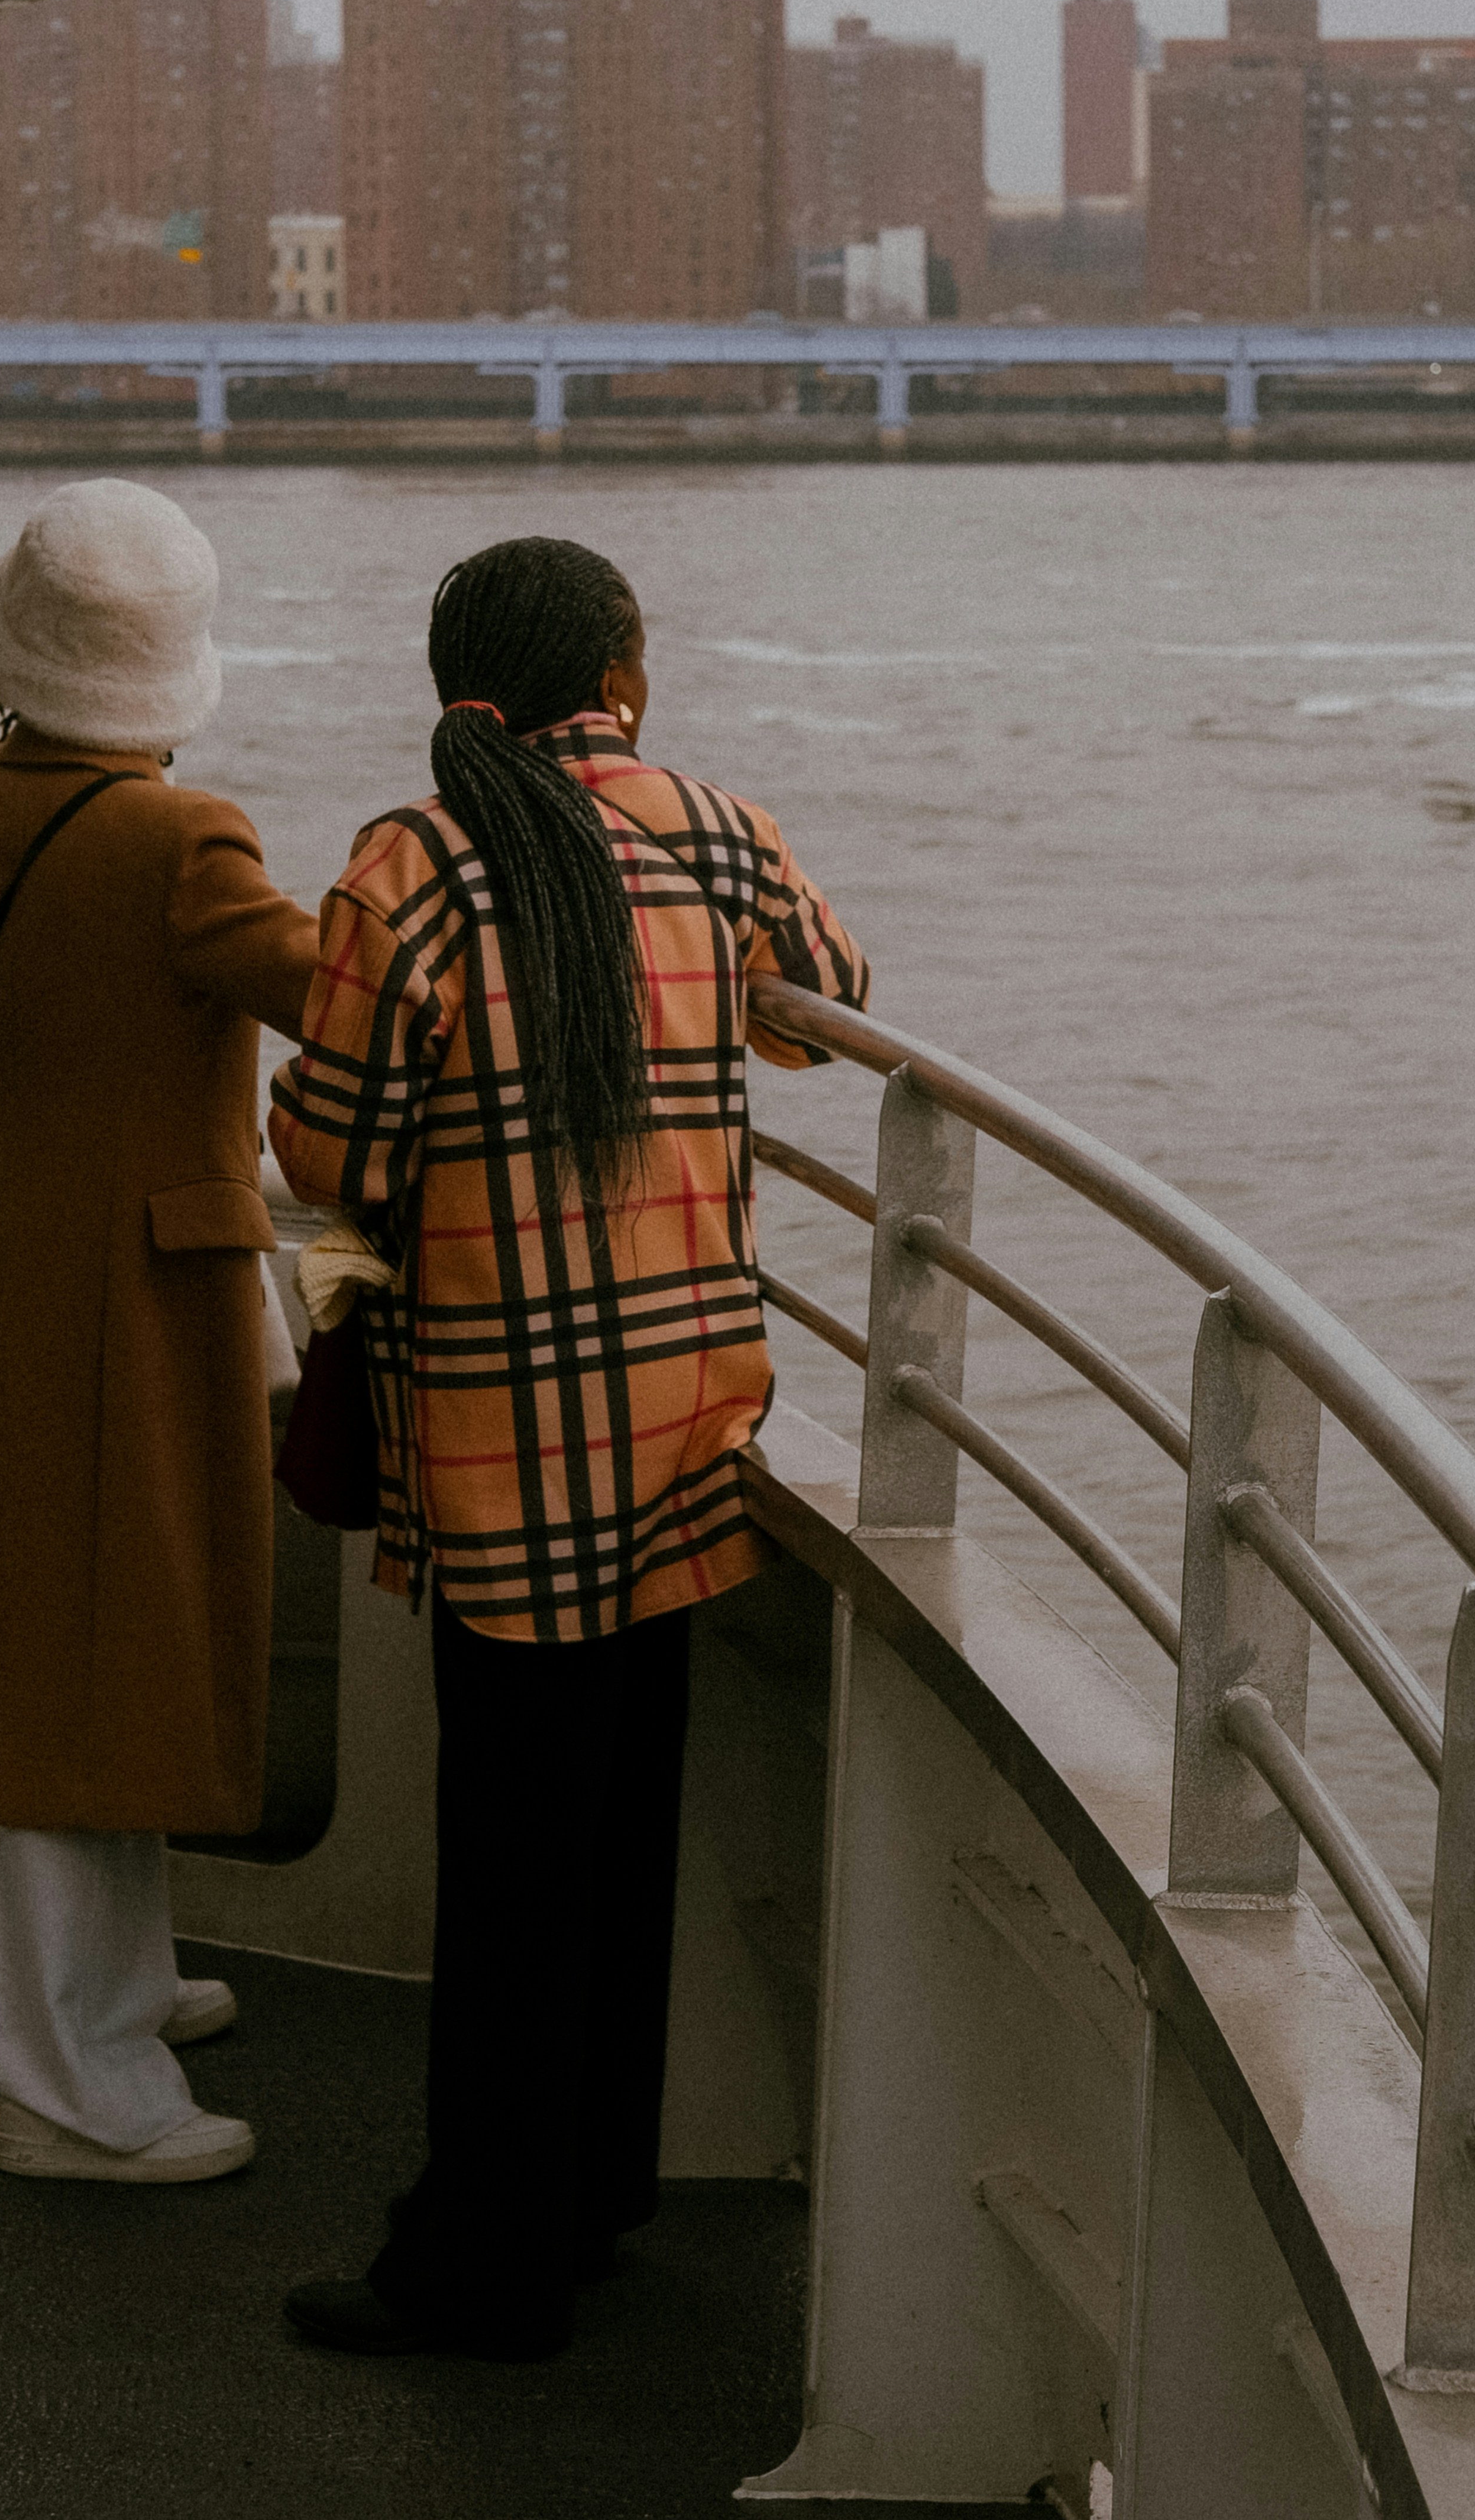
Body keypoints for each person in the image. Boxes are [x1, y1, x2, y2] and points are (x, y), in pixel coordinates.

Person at [269, 534, 869, 2360]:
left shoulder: (413, 858)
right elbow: (831, 999)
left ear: (456, 676)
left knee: (514, 1852)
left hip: (505, 1423)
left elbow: (334, 1158)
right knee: (619, 1825)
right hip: (693, 1403)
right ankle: (595, 2189)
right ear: (621, 667)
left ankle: (480, 2263)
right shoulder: (722, 824)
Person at [0, 479, 319, 2184]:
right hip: (135, 1296)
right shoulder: (183, 842)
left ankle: (99, 1991)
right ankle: (66, 2087)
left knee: (57, 1641)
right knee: (109, 1644)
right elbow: (341, 993)